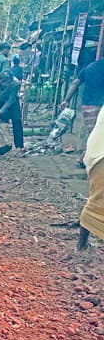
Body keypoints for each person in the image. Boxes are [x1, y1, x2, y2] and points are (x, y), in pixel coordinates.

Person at [60, 55, 104, 151]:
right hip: (100, 104)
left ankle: (85, 158)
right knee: (97, 135)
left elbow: (75, 83)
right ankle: (86, 158)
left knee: (94, 133)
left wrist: (66, 100)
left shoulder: (88, 67)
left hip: (88, 104)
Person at [78, 107, 104, 251]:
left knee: (96, 201)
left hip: (97, 154)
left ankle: (82, 244)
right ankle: (81, 246)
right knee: (97, 202)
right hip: (101, 157)